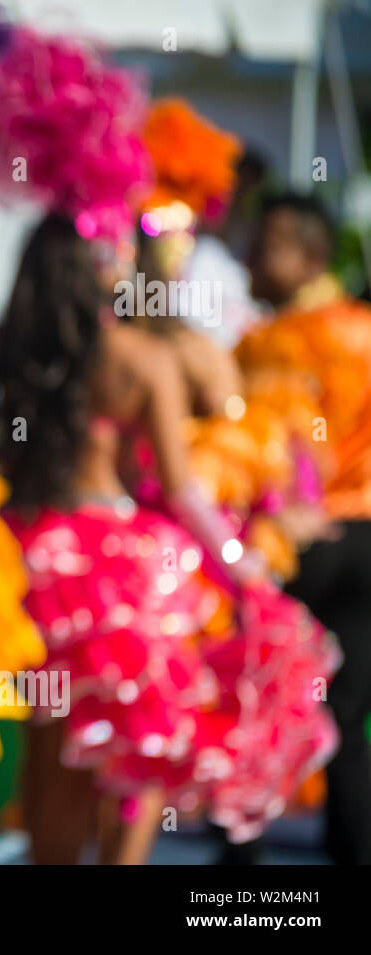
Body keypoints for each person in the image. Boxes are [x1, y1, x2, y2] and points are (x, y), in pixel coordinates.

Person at [0, 214, 337, 864]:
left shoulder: (5, 342)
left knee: (52, 741)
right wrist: (242, 568)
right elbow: (182, 489)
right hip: (117, 570)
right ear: (104, 270)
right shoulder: (143, 359)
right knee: (137, 744)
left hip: (18, 555)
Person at [238, 191, 371, 865]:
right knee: (346, 714)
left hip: (299, 541)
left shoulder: (269, 343)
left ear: (310, 257)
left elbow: (258, 452)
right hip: (367, 540)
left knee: (258, 697)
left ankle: (240, 871)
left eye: (264, 247)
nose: (248, 260)